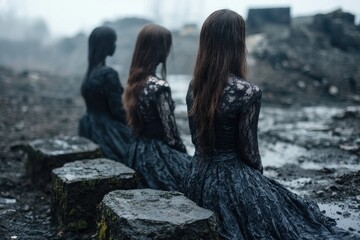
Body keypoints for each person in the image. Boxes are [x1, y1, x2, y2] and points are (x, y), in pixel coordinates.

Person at [183, 9, 355, 240]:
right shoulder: (247, 92)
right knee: (294, 219)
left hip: (195, 176)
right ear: (238, 42)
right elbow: (250, 154)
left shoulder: (195, 86)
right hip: (229, 180)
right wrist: (256, 185)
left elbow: (196, 140)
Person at [124, 23, 190, 191]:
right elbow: (172, 136)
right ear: (159, 49)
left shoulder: (134, 81)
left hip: (137, 152)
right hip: (157, 156)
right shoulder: (159, 87)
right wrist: (184, 156)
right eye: (167, 45)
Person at [79, 26, 131, 163]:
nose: (115, 45)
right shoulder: (108, 74)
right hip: (107, 131)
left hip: (87, 126)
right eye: (113, 41)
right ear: (106, 45)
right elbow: (117, 111)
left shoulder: (90, 73)